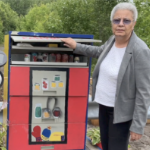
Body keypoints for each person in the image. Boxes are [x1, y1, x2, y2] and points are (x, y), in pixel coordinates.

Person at [61, 2, 150, 150]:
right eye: (117, 20)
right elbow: (97, 51)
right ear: (112, 23)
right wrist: (76, 46)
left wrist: (138, 125)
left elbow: (144, 91)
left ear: (133, 24)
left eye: (126, 20)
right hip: (103, 106)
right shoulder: (112, 41)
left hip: (120, 112)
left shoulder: (140, 51)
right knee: (106, 146)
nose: (120, 24)